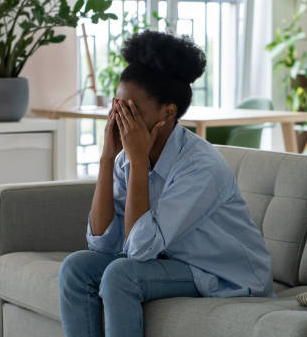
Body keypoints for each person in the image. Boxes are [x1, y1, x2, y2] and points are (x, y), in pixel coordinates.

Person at [58, 30, 274, 337]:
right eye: (118, 108)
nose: (121, 118)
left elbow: (139, 250)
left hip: (224, 273)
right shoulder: (125, 158)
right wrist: (107, 159)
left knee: (122, 275)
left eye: (132, 110)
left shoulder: (200, 166)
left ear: (168, 112)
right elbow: (102, 243)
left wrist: (136, 163)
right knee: (76, 268)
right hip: (172, 262)